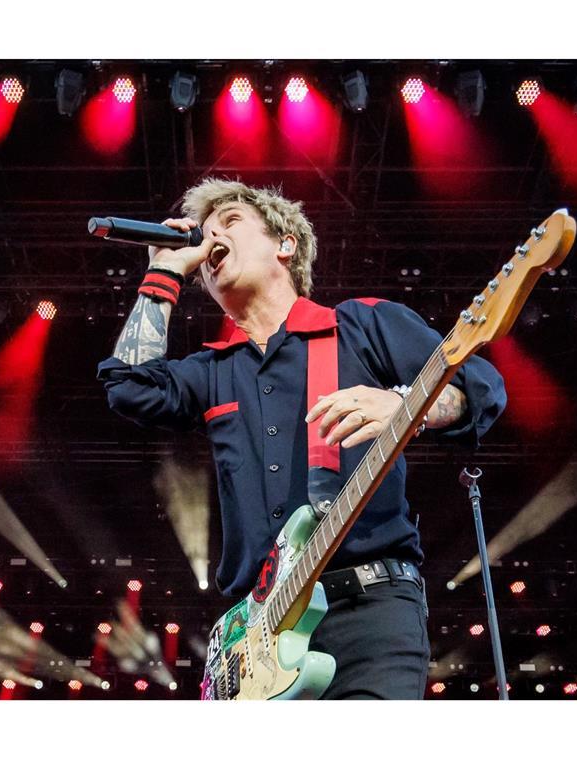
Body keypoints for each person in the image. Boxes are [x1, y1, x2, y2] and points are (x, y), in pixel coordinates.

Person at [97, 178, 506, 699]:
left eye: (231, 222)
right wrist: (162, 270)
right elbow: (128, 387)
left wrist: (407, 405)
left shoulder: (363, 325)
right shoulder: (212, 371)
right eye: (204, 234)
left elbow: (479, 388)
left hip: (369, 615)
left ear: (285, 243)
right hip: (259, 645)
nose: (209, 237)